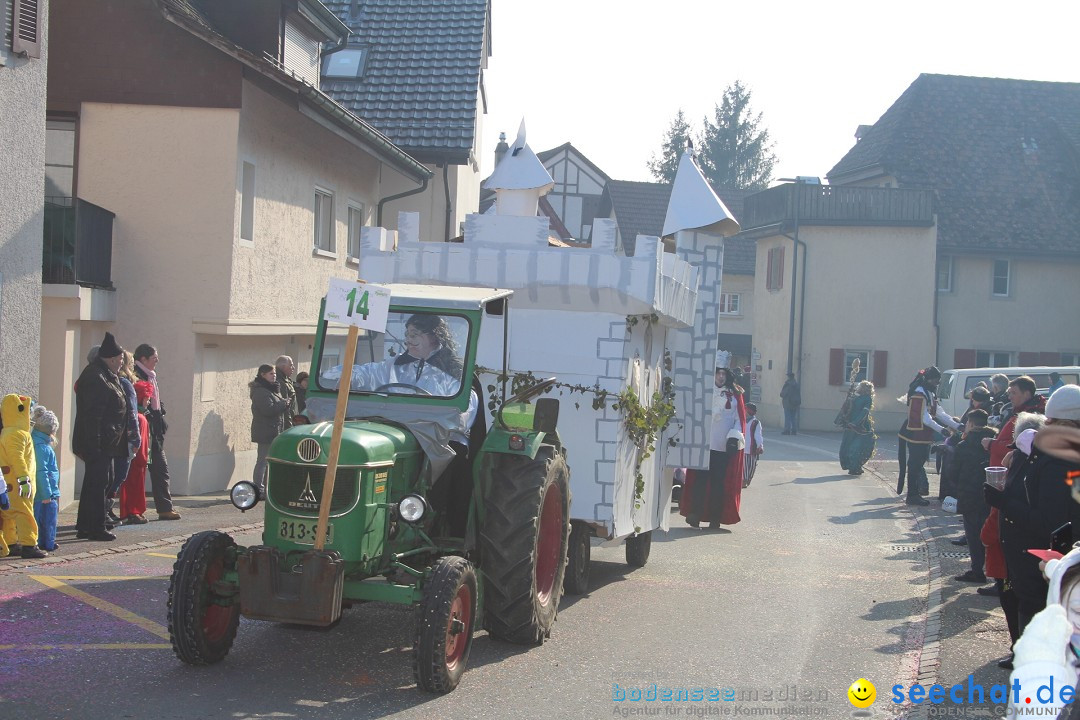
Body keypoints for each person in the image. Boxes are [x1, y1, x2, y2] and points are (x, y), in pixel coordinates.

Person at [985, 385, 1080, 652]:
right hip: (1044, 558)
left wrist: (1004, 502)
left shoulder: (1060, 459)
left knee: (1037, 613)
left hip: (1047, 558)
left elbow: (1050, 523)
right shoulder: (1055, 453)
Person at [981, 412, 1045, 668]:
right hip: (1019, 548)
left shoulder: (1023, 465)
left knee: (1015, 603)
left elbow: (999, 514)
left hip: (1011, 549)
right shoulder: (1033, 462)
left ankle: (1020, 650)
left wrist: (986, 535)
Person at [73, 332, 129, 541]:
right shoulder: (96, 376)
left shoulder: (105, 374)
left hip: (107, 442)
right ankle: (94, 527)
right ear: (112, 359)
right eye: (121, 360)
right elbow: (92, 415)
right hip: (98, 442)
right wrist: (95, 444)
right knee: (98, 483)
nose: (122, 364)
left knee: (100, 481)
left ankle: (87, 525)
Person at [681, 352, 746, 528]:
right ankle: (695, 513)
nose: (721, 376)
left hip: (723, 449)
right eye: (718, 373)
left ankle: (715, 518)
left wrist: (734, 437)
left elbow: (740, 421)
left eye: (724, 373)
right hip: (704, 446)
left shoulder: (735, 395)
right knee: (699, 482)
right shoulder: (703, 391)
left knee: (719, 485)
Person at [897, 366, 961, 506]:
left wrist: (957, 425)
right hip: (914, 433)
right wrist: (941, 429)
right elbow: (925, 418)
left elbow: (940, 413)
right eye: (935, 381)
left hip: (924, 435)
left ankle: (915, 493)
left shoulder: (929, 393)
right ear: (928, 379)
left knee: (918, 463)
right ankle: (912, 495)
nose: (936, 384)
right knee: (915, 464)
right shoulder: (919, 394)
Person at [946, 408, 996, 584]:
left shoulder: (964, 445)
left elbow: (953, 473)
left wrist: (958, 487)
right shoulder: (993, 443)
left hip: (969, 495)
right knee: (990, 534)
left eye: (967, 423)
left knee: (973, 536)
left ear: (972, 424)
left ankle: (977, 570)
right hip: (991, 495)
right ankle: (995, 573)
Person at [134, 344, 180, 521]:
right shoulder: (136, 375)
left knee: (161, 469)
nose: (157, 360)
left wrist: (160, 410)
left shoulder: (150, 375)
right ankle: (134, 511)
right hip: (143, 428)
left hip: (154, 429)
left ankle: (165, 508)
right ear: (143, 359)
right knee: (139, 470)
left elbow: (155, 400)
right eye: (154, 357)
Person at [1, 394, 46, 558]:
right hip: (18, 483)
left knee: (8, 515)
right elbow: (17, 458)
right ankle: (29, 545)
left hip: (8, 483)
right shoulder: (18, 433)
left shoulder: (7, 432)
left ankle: (11, 543)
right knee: (24, 514)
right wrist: (23, 480)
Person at [107, 350, 141, 524]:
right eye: (131, 361)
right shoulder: (125, 384)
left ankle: (107, 507)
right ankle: (105, 507)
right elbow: (132, 413)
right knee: (119, 475)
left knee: (114, 475)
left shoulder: (115, 381)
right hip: (124, 438)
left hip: (117, 436)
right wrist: (136, 439)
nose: (133, 365)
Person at [250, 364, 289, 494]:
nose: (274, 376)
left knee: (269, 461)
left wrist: (284, 403)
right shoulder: (261, 391)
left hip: (273, 430)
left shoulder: (271, 389)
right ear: (263, 375)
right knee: (262, 461)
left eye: (275, 374)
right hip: (265, 431)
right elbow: (268, 410)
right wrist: (283, 404)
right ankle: (258, 488)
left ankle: (266, 488)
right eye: (271, 374)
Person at [119, 381, 154, 525]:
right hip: (137, 459)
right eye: (147, 398)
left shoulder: (138, 416)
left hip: (137, 458)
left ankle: (132, 511)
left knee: (132, 486)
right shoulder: (140, 418)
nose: (149, 401)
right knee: (134, 487)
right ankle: (133, 511)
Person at [31, 406, 61, 552]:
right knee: (47, 518)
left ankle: (45, 542)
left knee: (42, 518)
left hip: (45, 490)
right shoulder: (42, 447)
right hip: (45, 492)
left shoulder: (39, 443)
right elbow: (41, 472)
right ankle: (45, 542)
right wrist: (46, 493)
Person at [839, 381, 877, 476]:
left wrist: (853, 422)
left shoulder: (859, 398)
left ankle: (852, 466)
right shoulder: (864, 398)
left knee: (851, 445)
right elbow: (861, 412)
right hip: (859, 426)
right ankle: (854, 467)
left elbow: (861, 412)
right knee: (858, 446)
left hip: (854, 425)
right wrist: (855, 423)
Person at [742, 402, 763, 488]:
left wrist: (760, 445)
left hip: (752, 448)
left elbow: (758, 435)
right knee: (744, 466)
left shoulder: (756, 422)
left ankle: (748, 478)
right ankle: (743, 480)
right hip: (742, 448)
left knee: (751, 466)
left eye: (746, 410)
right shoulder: (740, 420)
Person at [276, 355, 298, 431]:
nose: (293, 368)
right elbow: (286, 407)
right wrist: (289, 427)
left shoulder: (287, 380)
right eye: (291, 365)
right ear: (283, 367)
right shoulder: (280, 382)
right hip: (286, 425)